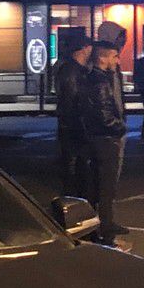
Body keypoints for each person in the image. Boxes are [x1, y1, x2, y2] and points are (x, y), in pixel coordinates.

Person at [80, 40, 130, 246]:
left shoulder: (97, 78)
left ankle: (101, 223)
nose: (117, 61)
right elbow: (104, 112)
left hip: (98, 137)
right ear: (103, 57)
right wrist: (118, 127)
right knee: (106, 185)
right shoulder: (100, 82)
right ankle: (104, 225)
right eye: (114, 56)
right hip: (106, 139)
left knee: (99, 184)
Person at [54, 34, 92, 199]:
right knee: (74, 162)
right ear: (84, 48)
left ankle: (76, 192)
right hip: (74, 125)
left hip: (73, 124)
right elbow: (72, 100)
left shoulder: (73, 69)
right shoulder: (72, 71)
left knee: (76, 162)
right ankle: (73, 195)